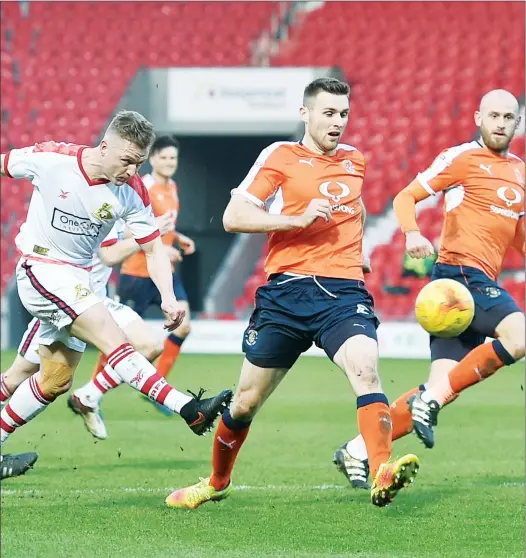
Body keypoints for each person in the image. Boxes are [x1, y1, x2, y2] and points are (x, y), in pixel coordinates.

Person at [165, 77, 420, 510]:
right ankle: (216, 480)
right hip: (286, 294)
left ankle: (381, 470)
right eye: (328, 113)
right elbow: (233, 216)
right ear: (306, 113)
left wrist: (354, 253)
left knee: (365, 369)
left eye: (343, 114)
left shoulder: (355, 160)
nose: (338, 122)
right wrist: (295, 220)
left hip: (342, 293)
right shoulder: (280, 155)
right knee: (244, 403)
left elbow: (352, 206)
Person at [0, 112, 232, 453]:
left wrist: (168, 296)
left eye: (138, 163)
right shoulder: (53, 160)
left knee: (54, 381)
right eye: (126, 161)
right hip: (41, 269)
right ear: (104, 146)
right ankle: (188, 408)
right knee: (119, 340)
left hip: (80, 285)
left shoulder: (132, 191)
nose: (131, 171)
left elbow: (153, 250)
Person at [334, 89, 524, 487]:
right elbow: (407, 196)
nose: (501, 123)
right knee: (519, 336)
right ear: (478, 117)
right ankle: (429, 403)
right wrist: (412, 233)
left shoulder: (520, 172)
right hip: (458, 279)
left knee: (441, 385)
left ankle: (355, 450)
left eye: (509, 117)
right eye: (494, 116)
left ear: (517, 122)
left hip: (480, 283)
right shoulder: (461, 158)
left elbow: (520, 237)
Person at [0, 213, 183, 440]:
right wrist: (148, 234)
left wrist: (151, 236)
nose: (129, 175)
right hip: (63, 302)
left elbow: (115, 234)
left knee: (150, 345)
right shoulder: (85, 200)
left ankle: (89, 395)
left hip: (97, 302)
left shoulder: (115, 199)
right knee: (18, 378)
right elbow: (109, 254)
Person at [117, 135, 194, 387]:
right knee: (119, 340)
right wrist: (162, 247)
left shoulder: (172, 187)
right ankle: (91, 393)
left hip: (164, 272)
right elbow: (125, 231)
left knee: (183, 326)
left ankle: (159, 385)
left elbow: (162, 226)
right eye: (164, 157)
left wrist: (178, 239)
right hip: (137, 272)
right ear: (152, 159)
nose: (169, 162)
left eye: (173, 158)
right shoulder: (142, 188)